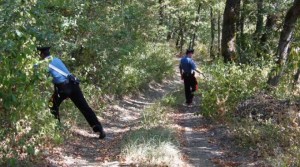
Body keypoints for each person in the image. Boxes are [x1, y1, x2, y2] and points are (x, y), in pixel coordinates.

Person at [37, 46, 106, 139]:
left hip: (63, 88)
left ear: (41, 54)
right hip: (73, 85)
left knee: (52, 105)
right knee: (84, 107)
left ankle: (56, 130)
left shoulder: (43, 63)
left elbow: (36, 72)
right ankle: (99, 129)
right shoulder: (57, 59)